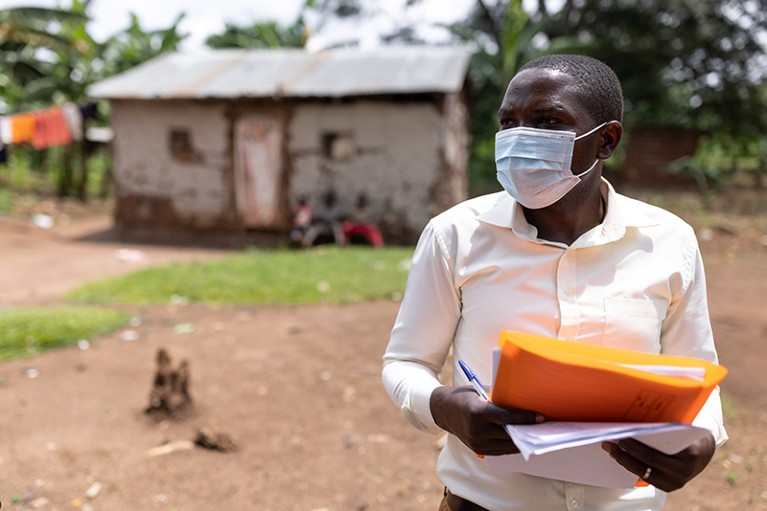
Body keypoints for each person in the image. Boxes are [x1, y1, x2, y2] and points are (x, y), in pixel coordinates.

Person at [381, 54, 727, 511]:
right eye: (509, 121)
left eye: (546, 121)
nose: (519, 137)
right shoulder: (456, 234)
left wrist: (702, 439)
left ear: (605, 140)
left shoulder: (668, 241)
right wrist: (444, 406)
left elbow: (696, 374)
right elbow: (405, 362)